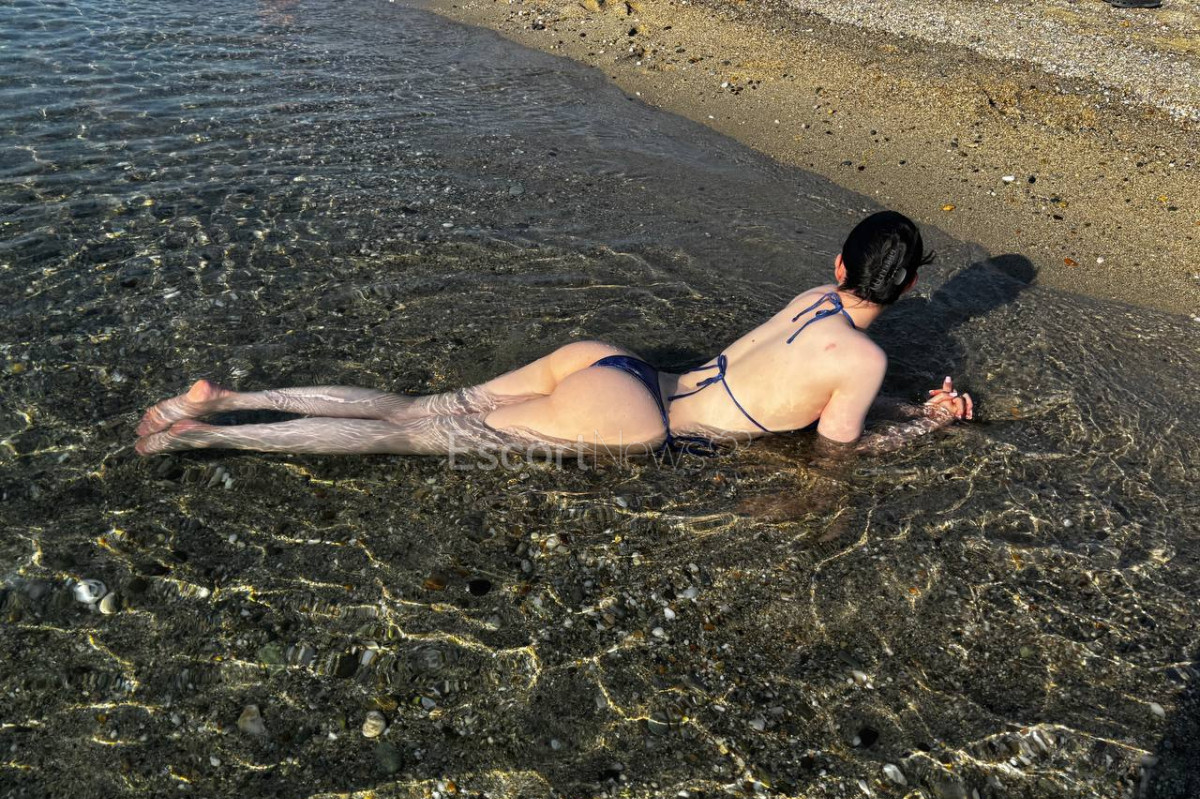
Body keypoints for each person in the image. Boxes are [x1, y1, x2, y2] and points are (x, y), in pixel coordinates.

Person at [135, 211, 972, 462]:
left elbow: (791, 381)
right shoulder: (863, 360)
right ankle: (205, 436)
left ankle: (229, 398)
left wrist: (909, 405)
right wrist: (927, 424)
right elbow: (836, 449)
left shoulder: (810, 300)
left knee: (418, 409)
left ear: (837, 264)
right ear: (909, 287)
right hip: (644, 422)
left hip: (614, 365)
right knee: (411, 440)